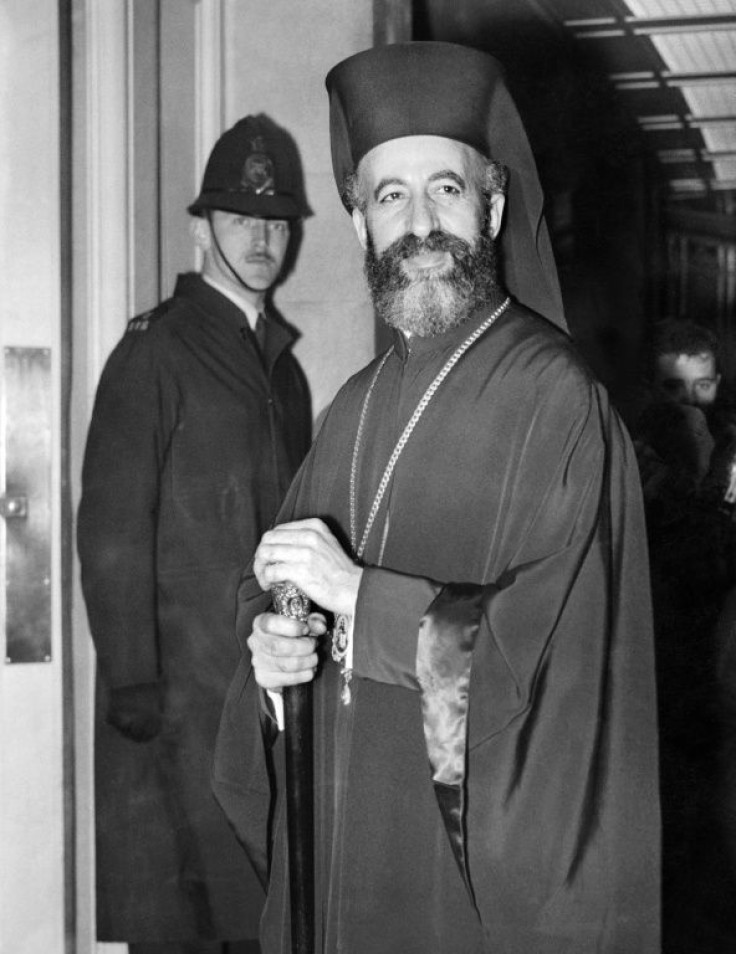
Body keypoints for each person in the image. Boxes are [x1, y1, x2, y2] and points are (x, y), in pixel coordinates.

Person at [213, 44, 660, 953]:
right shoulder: (350, 407)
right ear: (358, 226)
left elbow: (545, 673)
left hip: (456, 891)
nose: (419, 223)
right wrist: (270, 659)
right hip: (339, 864)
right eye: (388, 197)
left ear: (492, 208)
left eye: (446, 190)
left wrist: (359, 596)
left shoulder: (556, 402)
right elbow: (277, 602)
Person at [77, 114, 312, 954]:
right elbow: (109, 525)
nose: (262, 238)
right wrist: (133, 681)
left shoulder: (282, 369)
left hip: (264, 687)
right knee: (184, 920)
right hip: (178, 696)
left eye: (278, 222)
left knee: (262, 912)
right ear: (202, 225)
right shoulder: (158, 351)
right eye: (243, 218)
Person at [634, 320, 736, 951]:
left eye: (702, 386)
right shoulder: (639, 460)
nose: (692, 403)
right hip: (658, 661)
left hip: (716, 668)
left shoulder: (726, 449)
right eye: (676, 390)